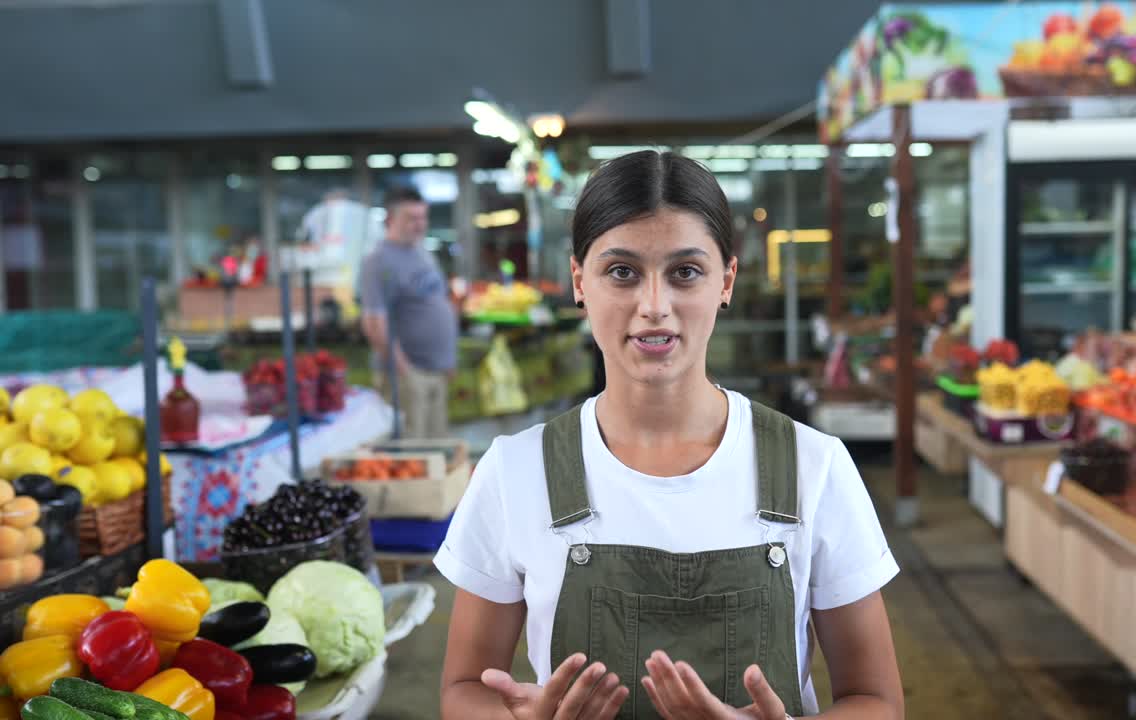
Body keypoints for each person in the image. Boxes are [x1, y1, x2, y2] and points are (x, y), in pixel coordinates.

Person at [438, 151, 904, 720]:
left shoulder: (815, 465)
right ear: (580, 282)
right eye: (622, 272)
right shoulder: (516, 470)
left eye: (685, 272)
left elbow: (877, 701)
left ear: (726, 281)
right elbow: (464, 688)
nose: (654, 307)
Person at [359, 186, 457, 438]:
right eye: (411, 218)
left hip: (435, 372)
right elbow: (373, 323)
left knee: (437, 455)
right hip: (407, 377)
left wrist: (447, 360)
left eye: (423, 217)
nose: (419, 224)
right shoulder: (378, 261)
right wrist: (402, 370)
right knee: (411, 457)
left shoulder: (422, 253)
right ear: (390, 219)